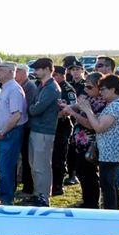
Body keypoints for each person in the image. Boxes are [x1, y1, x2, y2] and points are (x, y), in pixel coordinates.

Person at [76, 74, 119, 210]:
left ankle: (111, 214)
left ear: (113, 89)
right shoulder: (116, 104)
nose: (101, 92)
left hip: (110, 152)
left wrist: (88, 110)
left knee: (108, 185)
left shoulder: (115, 106)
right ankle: (112, 212)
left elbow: (99, 127)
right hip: (109, 152)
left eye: (104, 89)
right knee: (108, 185)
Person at [60, 72, 105, 208]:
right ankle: (88, 201)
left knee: (89, 174)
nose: (85, 89)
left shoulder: (101, 103)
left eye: (89, 87)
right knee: (82, 172)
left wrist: (73, 113)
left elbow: (91, 124)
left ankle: (91, 203)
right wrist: (66, 106)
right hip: (80, 142)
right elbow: (76, 106)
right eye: (85, 86)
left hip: (90, 144)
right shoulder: (90, 99)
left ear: (99, 87)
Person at [0, 62, 28, 205]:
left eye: (0, 70)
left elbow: (16, 115)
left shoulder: (14, 90)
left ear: (10, 71)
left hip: (10, 134)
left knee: (6, 166)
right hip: (4, 134)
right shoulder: (6, 88)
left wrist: (3, 131)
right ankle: (5, 194)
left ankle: (7, 198)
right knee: (5, 166)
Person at [27, 58, 60, 207]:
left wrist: (32, 107)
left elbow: (35, 109)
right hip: (37, 128)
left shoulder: (51, 88)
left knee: (42, 165)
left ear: (47, 69)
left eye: (38, 69)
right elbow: (34, 105)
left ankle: (43, 196)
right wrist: (33, 107)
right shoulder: (42, 85)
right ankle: (37, 193)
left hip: (44, 130)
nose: (35, 71)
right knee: (34, 164)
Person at [50, 66, 77, 196]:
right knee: (51, 156)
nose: (52, 76)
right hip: (51, 126)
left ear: (62, 75)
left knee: (58, 157)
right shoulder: (51, 86)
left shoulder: (67, 89)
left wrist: (58, 114)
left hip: (62, 126)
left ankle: (58, 185)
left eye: (54, 74)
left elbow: (73, 108)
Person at [15, 63, 37, 194]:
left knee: (27, 156)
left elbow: (25, 107)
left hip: (27, 126)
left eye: (17, 71)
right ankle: (22, 180)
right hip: (21, 125)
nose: (15, 74)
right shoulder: (20, 85)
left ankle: (28, 185)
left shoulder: (29, 86)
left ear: (24, 73)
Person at [64, 61, 86, 186]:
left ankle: (74, 175)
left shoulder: (86, 85)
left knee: (77, 148)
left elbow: (81, 102)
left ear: (82, 70)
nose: (75, 72)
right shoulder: (69, 85)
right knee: (69, 147)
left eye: (78, 69)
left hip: (81, 118)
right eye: (73, 70)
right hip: (69, 118)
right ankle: (70, 172)